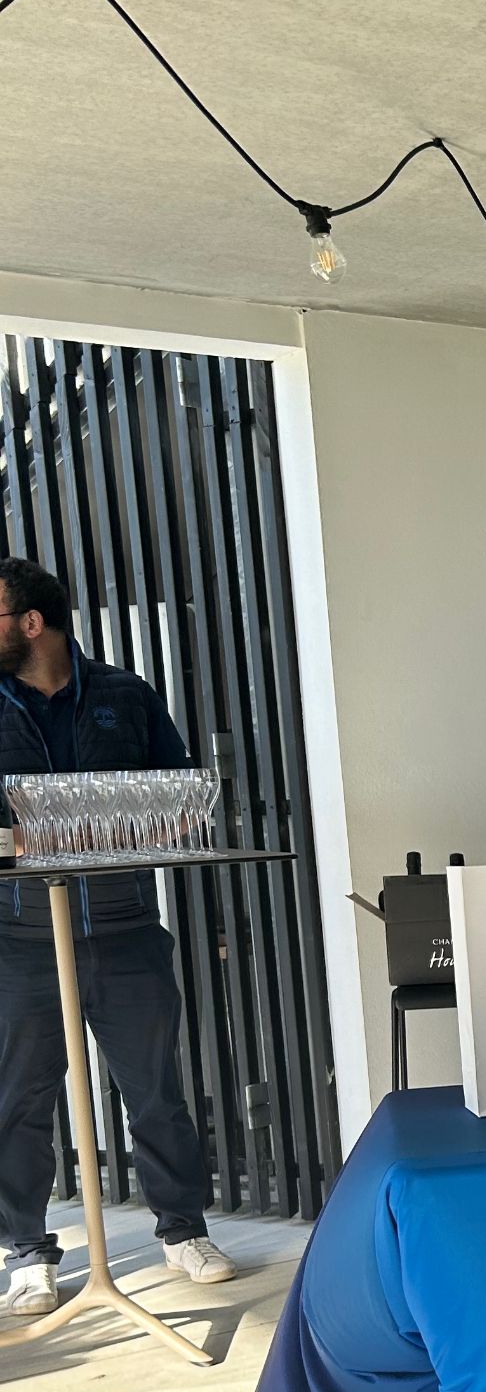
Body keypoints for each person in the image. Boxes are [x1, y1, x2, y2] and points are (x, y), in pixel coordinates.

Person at [0, 558, 235, 1316]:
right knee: (16, 1102)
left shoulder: (125, 696)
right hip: (19, 940)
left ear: (31, 622)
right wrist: (26, 842)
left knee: (156, 1091)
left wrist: (136, 823)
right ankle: (28, 1252)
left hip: (125, 929)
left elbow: (180, 795)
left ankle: (183, 1230)